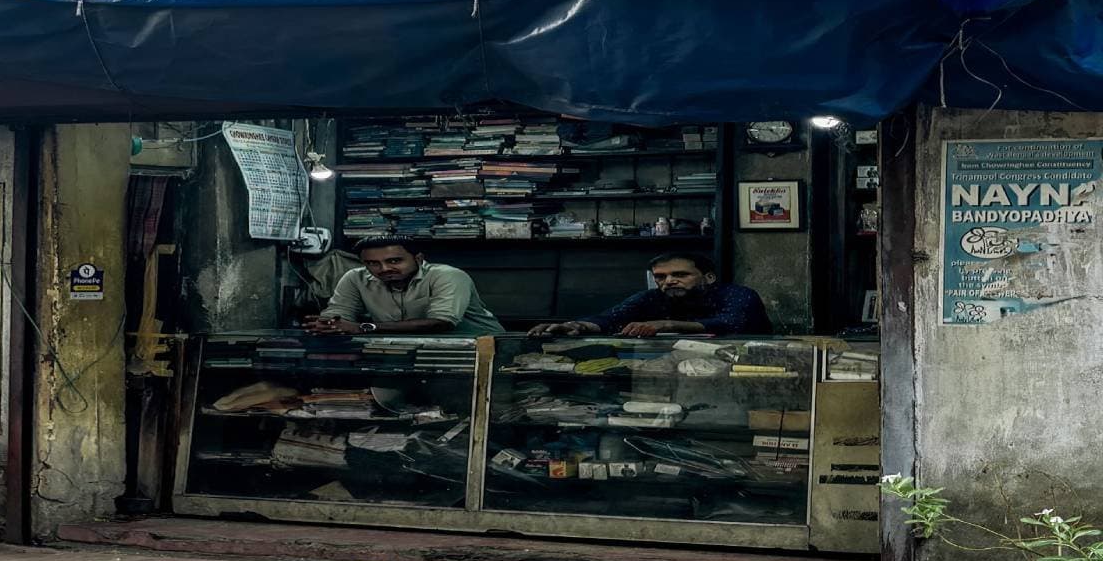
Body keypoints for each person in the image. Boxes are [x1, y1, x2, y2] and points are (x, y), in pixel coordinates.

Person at [527, 252, 771, 337]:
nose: (669, 281)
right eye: (661, 277)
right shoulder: (651, 298)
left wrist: (665, 324)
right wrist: (576, 325)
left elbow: (730, 323)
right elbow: (610, 318)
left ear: (708, 277)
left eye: (680, 274)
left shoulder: (739, 295)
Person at [304, 236, 504, 336]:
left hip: (483, 346)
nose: (384, 268)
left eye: (394, 261)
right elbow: (340, 314)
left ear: (418, 258)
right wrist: (329, 324)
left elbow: (441, 323)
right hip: (410, 348)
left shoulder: (448, 276)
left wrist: (363, 327)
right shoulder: (355, 278)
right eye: (373, 263)